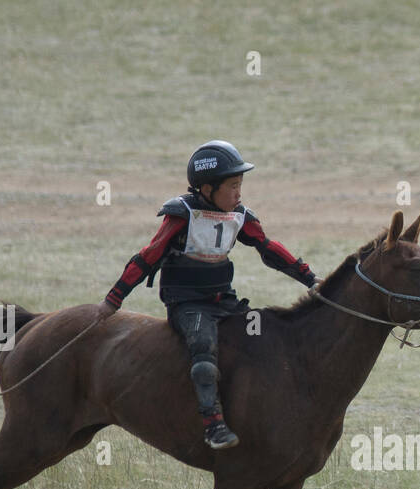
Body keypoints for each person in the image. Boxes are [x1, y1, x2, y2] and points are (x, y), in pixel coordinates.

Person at [102, 140, 318, 449]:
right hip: (188, 305)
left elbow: (268, 249)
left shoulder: (240, 216)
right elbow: (149, 256)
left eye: (240, 185)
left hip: (224, 302)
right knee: (203, 350)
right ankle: (213, 425)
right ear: (206, 188)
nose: (239, 193)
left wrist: (309, 278)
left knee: (261, 329)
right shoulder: (183, 214)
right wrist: (113, 300)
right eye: (232, 186)